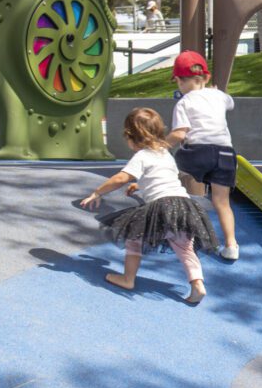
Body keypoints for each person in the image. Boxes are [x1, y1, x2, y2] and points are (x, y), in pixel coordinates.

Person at [80, 108, 218, 304]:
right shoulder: (165, 154)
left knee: (134, 239)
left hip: (161, 207)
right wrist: (140, 185)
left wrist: (97, 192)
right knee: (185, 248)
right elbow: (162, 177)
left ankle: (128, 279)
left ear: (131, 137)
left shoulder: (142, 156)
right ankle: (197, 285)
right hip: (185, 205)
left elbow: (121, 178)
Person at [166, 51, 240, 261]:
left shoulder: (183, 103)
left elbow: (180, 133)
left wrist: (160, 146)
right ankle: (231, 245)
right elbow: (230, 103)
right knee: (221, 202)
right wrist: (216, 92)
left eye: (178, 82)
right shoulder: (219, 96)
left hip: (198, 153)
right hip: (226, 154)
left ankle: (177, 212)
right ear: (206, 78)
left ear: (179, 80)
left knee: (176, 169)